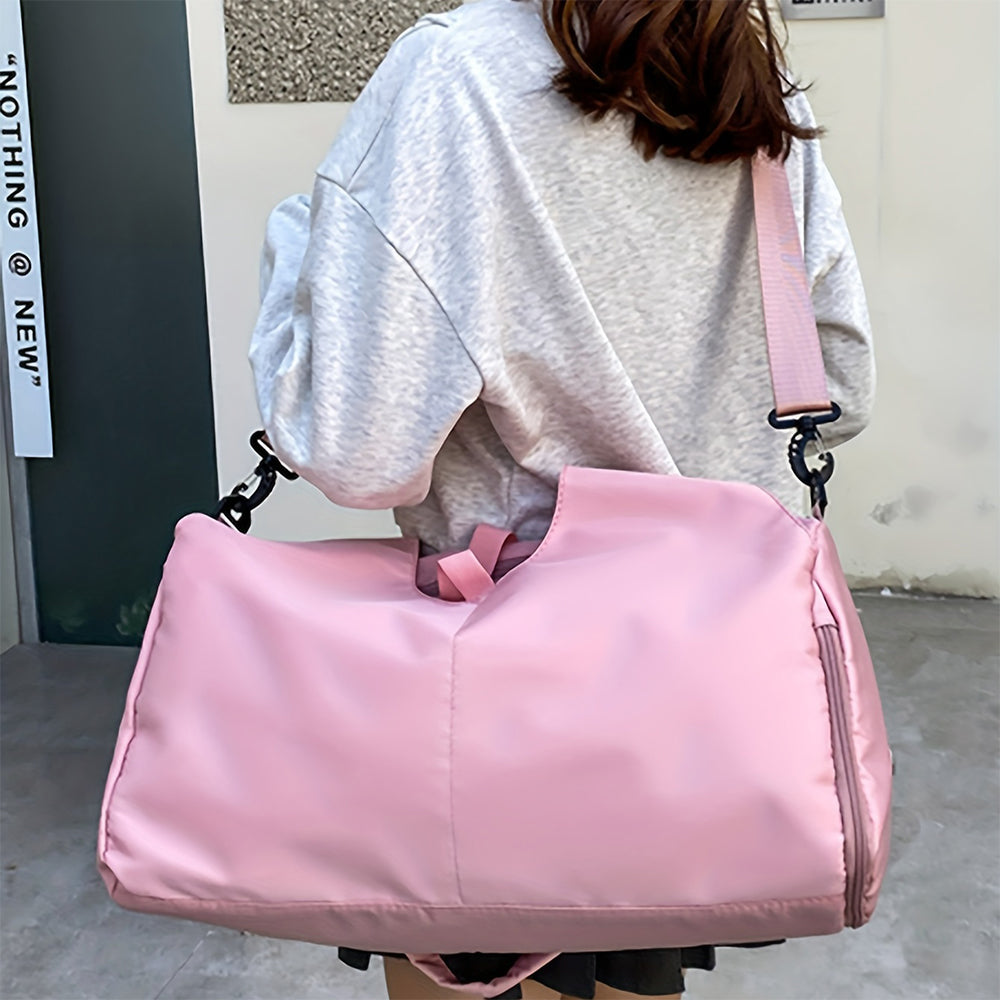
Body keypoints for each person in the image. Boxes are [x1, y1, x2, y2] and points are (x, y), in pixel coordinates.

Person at [248, 0, 875, 997]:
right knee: (638, 947)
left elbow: (358, 449)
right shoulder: (743, 82)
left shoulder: (454, 77)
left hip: (493, 684)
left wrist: (299, 243)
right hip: (699, 682)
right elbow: (835, 385)